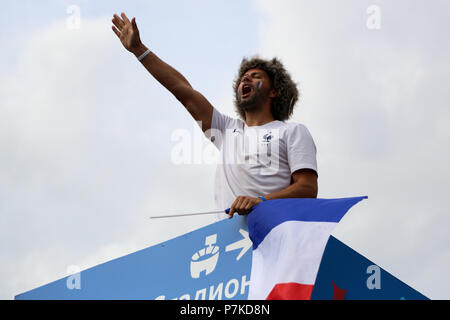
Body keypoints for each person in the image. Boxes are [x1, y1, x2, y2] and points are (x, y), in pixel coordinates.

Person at [112, 13, 318, 220]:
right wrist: (139, 50)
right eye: (243, 77)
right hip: (231, 242)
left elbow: (308, 188)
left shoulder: (292, 132)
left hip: (273, 236)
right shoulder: (226, 130)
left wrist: (262, 201)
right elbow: (183, 91)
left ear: (274, 92)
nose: (246, 78)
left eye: (256, 76)